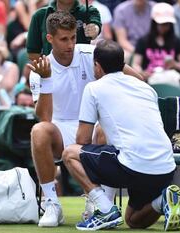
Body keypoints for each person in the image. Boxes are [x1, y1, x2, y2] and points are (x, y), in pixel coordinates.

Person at [27, 11, 142, 227]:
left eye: (72, 37)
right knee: (39, 131)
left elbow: (138, 80)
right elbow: (45, 118)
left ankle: (103, 204)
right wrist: (47, 79)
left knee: (106, 128)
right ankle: (52, 204)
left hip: (93, 129)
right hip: (60, 132)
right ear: (50, 39)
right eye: (63, 39)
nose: (70, 44)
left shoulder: (91, 54)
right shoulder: (40, 69)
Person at [62, 40, 180, 231]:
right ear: (123, 65)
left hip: (133, 167)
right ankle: (164, 200)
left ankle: (105, 209)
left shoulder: (94, 88)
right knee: (134, 220)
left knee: (70, 153)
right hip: (165, 169)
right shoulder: (147, 89)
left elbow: (83, 141)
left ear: (97, 65)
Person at [26, 0, 102, 61]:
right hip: (52, 71)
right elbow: (32, 52)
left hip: (81, 70)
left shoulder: (89, 11)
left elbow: (95, 23)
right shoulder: (39, 15)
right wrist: (49, 69)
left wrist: (94, 29)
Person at [132, 2, 180, 79]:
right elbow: (135, 64)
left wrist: (174, 64)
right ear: (154, 23)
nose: (164, 27)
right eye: (161, 24)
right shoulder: (143, 41)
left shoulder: (177, 41)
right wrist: (141, 73)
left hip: (170, 79)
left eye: (167, 24)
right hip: (149, 78)